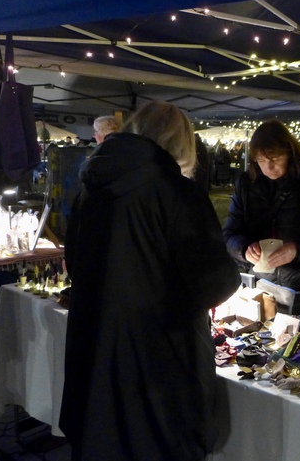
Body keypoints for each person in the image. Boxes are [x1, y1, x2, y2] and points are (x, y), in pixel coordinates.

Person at [61, 101, 241, 461]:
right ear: (181, 144)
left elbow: (74, 264)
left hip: (94, 351)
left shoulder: (90, 189)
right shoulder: (178, 194)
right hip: (159, 370)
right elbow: (213, 283)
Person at [223, 119, 300, 316]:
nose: (268, 167)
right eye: (261, 160)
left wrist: (297, 250)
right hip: (261, 288)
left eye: (275, 158)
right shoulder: (246, 184)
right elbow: (229, 234)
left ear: (290, 153)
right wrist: (244, 249)